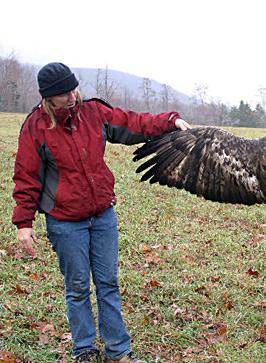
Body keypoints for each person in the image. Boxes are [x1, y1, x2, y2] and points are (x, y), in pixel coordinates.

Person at [12, 62, 191, 363]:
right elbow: (26, 177)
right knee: (78, 287)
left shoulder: (93, 112)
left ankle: (118, 351)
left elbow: (134, 123)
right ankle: (84, 350)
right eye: (63, 94)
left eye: (73, 88)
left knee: (108, 283)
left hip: (102, 215)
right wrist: (23, 223)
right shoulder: (36, 127)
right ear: (48, 98)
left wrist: (169, 121)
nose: (71, 96)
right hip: (65, 221)